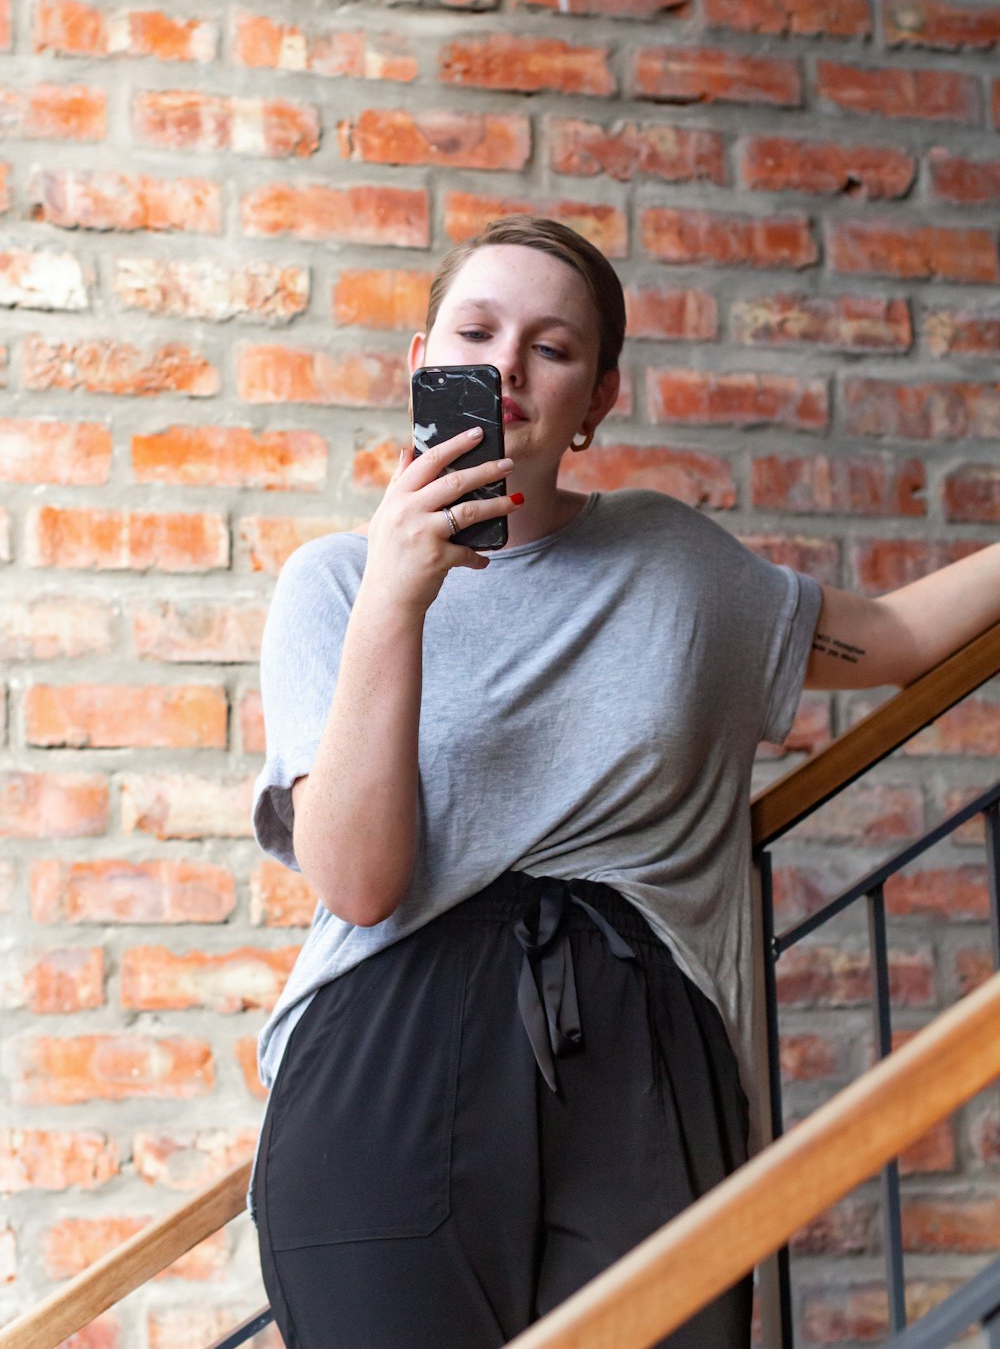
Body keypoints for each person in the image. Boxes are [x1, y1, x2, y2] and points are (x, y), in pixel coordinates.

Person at [249, 216, 1000, 1349]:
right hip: (383, 1067)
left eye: (551, 348)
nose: (505, 367)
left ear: (596, 400)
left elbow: (889, 638)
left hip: (641, 1059)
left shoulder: (675, 565)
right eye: (476, 331)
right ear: (421, 365)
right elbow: (357, 882)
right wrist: (398, 596)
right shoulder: (332, 586)